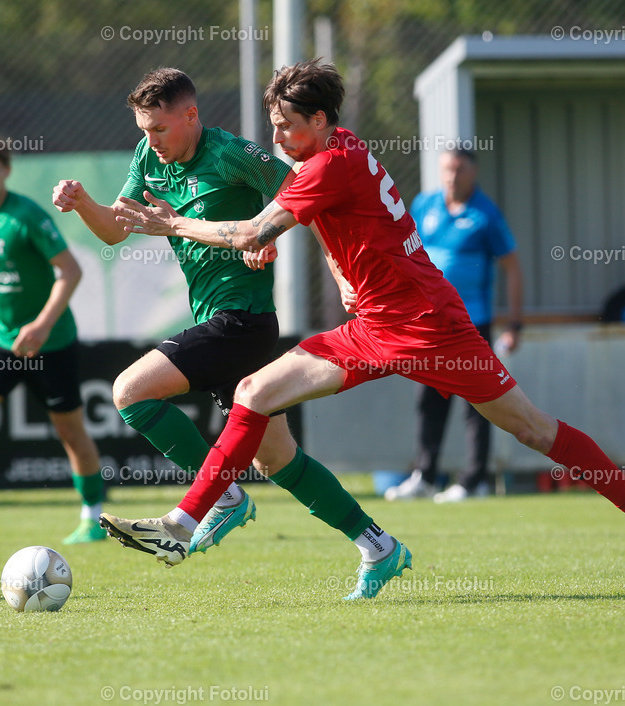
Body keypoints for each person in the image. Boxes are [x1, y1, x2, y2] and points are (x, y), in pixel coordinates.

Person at [107, 59, 625, 596]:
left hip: (430, 324)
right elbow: (324, 224)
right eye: (273, 126)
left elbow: (248, 235)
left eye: (286, 126)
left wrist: (174, 225)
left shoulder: (327, 165)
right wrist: (342, 273)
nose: (278, 139)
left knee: (534, 431)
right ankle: (185, 524)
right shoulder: (335, 148)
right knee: (253, 393)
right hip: (373, 325)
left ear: (318, 119)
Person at [53, 68, 402, 599]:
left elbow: (304, 199)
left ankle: (220, 497)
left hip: (242, 322)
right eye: (144, 129)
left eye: (159, 129)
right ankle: (377, 544)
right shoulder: (149, 159)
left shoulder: (234, 155)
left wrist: (268, 237)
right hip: (222, 322)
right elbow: (115, 228)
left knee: (129, 392)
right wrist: (83, 205)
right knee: (278, 460)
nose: (150, 141)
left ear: (190, 116)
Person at [0, 133, 106, 545]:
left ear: (6, 170)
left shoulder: (25, 215)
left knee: (70, 431)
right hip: (4, 339)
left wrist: (45, 323)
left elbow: (71, 270)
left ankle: (93, 516)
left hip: (52, 341)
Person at [386, 148, 523, 503]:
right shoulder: (424, 205)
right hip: (429, 321)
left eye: (460, 169)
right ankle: (425, 476)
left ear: (473, 172)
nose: (453, 176)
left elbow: (512, 267)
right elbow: (407, 255)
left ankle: (473, 481)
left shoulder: (486, 214)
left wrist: (514, 323)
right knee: (428, 399)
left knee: (478, 401)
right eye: (447, 169)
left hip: (472, 322)